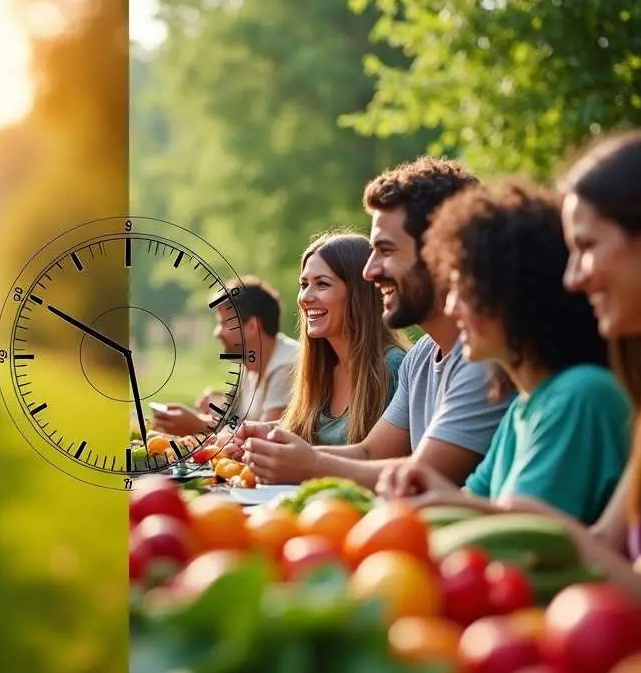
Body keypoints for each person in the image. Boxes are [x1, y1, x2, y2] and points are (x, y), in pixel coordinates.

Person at [237, 156, 513, 487]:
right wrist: (283, 448)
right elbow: (370, 454)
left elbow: (421, 476)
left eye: (386, 250)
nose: (370, 271)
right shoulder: (421, 357)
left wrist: (310, 464)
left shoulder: (483, 359)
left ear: (441, 252)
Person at [376, 181, 632, 524]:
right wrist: (430, 494)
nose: (451, 308)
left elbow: (525, 536)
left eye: (461, 289)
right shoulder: (524, 408)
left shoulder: (579, 394)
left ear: (512, 292)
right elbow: (476, 506)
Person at [488, 130, 641, 595]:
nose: (571, 279)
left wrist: (536, 522)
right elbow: (611, 554)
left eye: (588, 247)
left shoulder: (580, 393)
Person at [269, 231, 408, 446]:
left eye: (322, 284)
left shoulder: (392, 368)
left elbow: (375, 459)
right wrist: (252, 433)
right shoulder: (322, 368)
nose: (305, 298)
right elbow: (298, 430)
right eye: (304, 285)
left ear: (358, 295)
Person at [151, 275, 298, 435]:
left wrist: (200, 426)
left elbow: (265, 439)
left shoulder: (287, 365)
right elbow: (239, 422)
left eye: (224, 323)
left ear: (251, 326)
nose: (217, 333)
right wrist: (216, 412)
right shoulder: (249, 366)